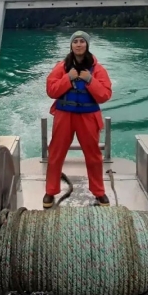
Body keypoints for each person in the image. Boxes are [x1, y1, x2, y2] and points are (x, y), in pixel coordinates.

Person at [44, 30, 112, 208]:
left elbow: (105, 95)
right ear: (71, 45)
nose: (79, 44)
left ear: (87, 45)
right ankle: (50, 191)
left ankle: (99, 192)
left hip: (88, 117)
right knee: (56, 154)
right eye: (76, 41)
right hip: (64, 115)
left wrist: (90, 80)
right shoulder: (61, 67)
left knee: (94, 156)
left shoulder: (98, 69)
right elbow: (51, 90)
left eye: (82, 41)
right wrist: (68, 78)